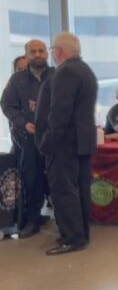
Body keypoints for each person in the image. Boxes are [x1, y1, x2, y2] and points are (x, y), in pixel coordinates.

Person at [35, 32, 98, 256]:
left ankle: (72, 238)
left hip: (64, 143)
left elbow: (60, 112)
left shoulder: (65, 72)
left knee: (63, 190)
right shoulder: (86, 70)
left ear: (59, 51)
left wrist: (47, 141)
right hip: (81, 141)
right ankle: (81, 234)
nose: (52, 54)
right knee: (80, 189)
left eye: (52, 49)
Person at [1, 39, 54, 238]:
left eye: (41, 51)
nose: (38, 54)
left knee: (58, 179)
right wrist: (23, 122)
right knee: (32, 178)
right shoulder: (17, 80)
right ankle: (32, 219)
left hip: (55, 138)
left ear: (47, 54)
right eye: (33, 51)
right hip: (29, 138)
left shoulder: (57, 76)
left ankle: (65, 220)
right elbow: (7, 105)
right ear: (27, 55)